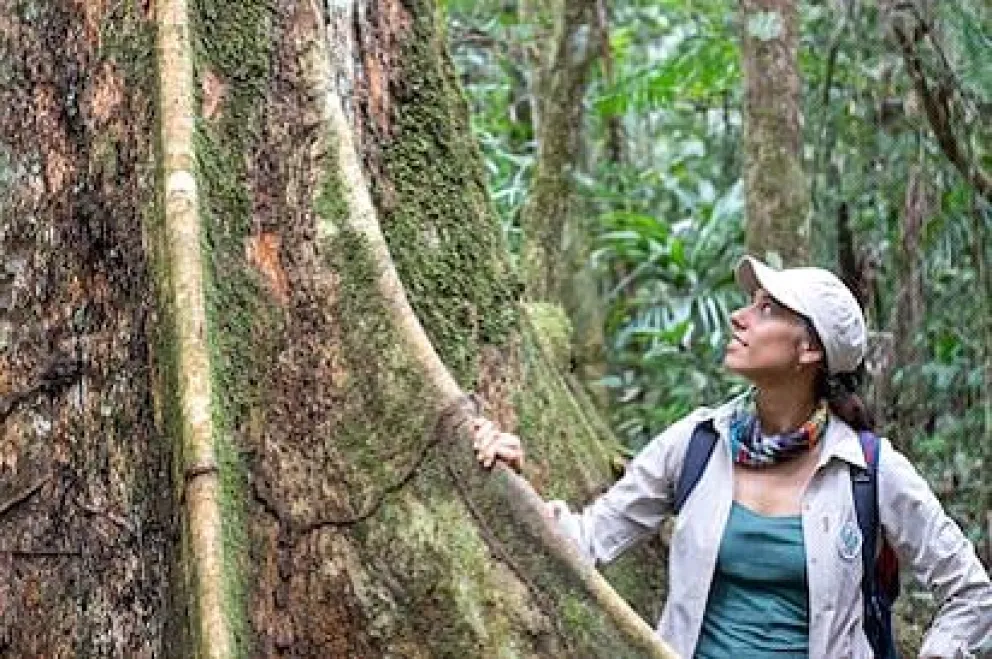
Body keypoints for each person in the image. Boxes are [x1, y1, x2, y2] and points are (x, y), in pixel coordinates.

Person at [471, 256, 992, 658]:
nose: (740, 318)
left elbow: (971, 592)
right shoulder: (698, 442)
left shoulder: (869, 470)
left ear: (809, 350)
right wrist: (513, 485)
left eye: (766, 309)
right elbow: (586, 540)